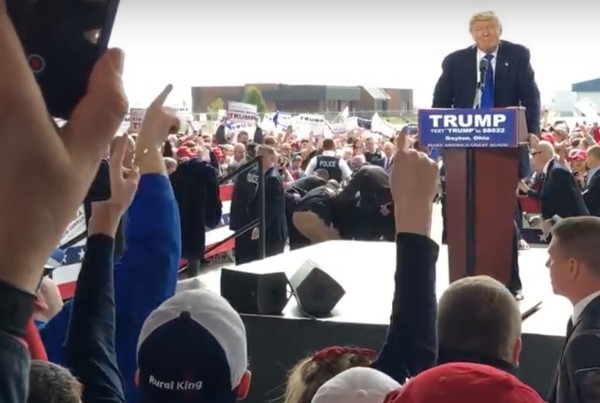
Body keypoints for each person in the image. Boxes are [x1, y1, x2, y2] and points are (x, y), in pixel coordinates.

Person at [432, 10, 541, 299]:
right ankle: (463, 283)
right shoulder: (455, 61)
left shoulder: (517, 55)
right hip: (463, 153)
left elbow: (530, 95)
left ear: (499, 30)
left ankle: (509, 283)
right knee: (463, 216)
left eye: (490, 27)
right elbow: (441, 102)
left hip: (503, 151)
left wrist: (533, 131)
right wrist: (434, 132)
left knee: (503, 218)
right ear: (472, 34)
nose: (485, 33)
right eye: (479, 29)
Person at [546, 217, 600, 403]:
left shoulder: (589, 339)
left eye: (551, 257)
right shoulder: (586, 317)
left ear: (572, 267)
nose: (547, 265)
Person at [170, 148, 222, 278]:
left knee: (175, 247)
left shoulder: (179, 171)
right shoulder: (208, 172)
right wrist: (212, 215)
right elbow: (213, 196)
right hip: (196, 214)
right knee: (194, 250)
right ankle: (193, 279)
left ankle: (171, 278)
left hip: (178, 212)